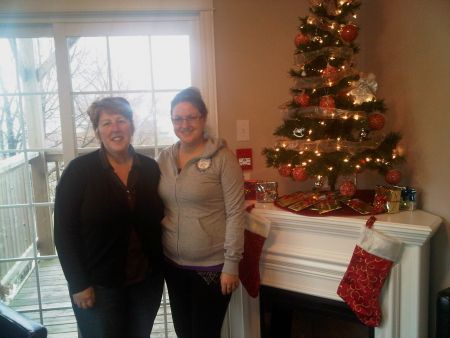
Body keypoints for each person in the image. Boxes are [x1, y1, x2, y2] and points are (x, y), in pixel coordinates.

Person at [54, 97, 164, 338]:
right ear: (97, 131)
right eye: (106, 123)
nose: (115, 128)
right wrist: (78, 283)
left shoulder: (150, 169)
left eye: (121, 121)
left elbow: (162, 218)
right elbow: (64, 233)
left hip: (146, 282)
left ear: (131, 126)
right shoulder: (78, 172)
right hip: (98, 286)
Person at [157, 87, 246, 338]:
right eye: (178, 118)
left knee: (205, 334)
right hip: (173, 265)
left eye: (191, 117)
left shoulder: (223, 159)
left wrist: (231, 264)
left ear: (203, 118)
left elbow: (236, 213)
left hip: (212, 267)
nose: (184, 124)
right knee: (184, 332)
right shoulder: (164, 158)